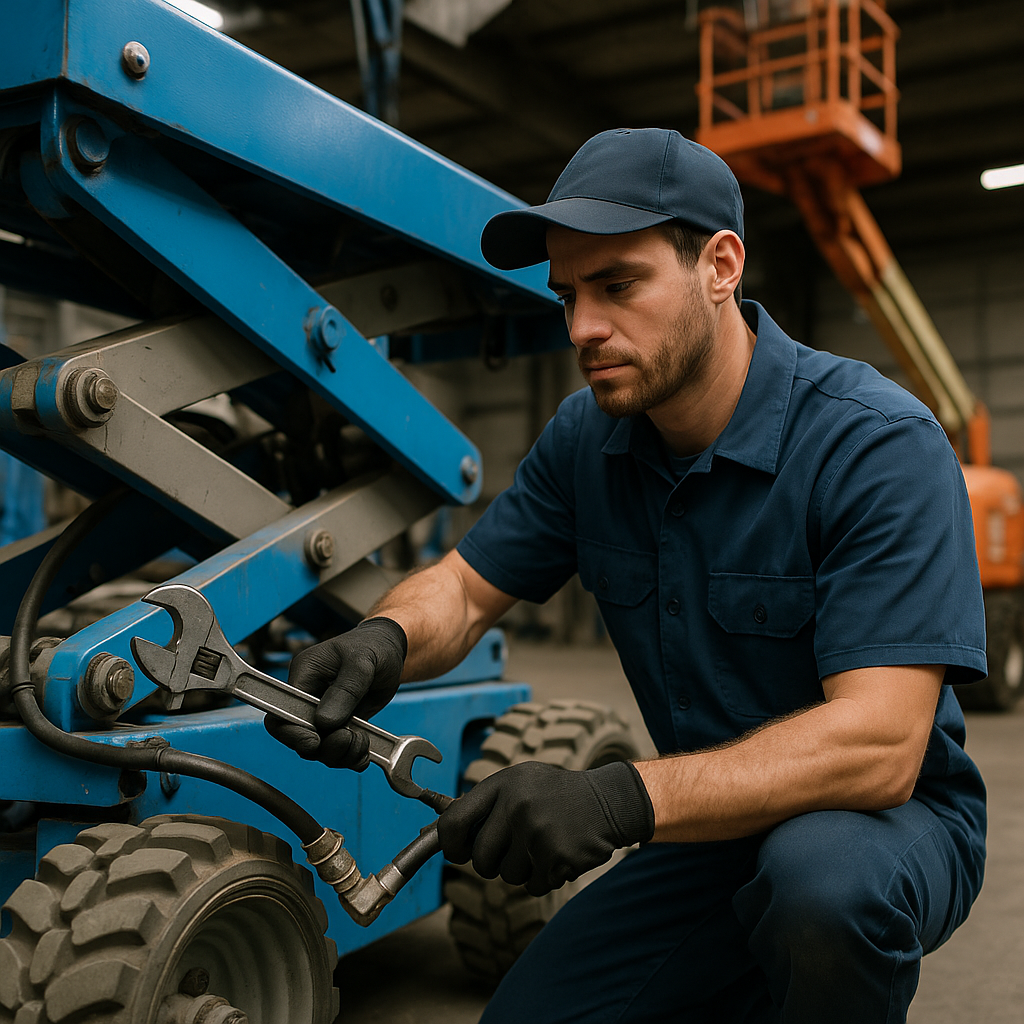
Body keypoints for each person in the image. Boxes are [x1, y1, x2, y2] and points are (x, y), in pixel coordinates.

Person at [268, 128, 987, 1023]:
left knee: (821, 891)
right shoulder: (587, 439)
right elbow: (466, 588)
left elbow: (880, 747)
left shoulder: (874, 444)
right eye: (568, 295)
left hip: (885, 826)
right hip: (709, 828)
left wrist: (616, 798)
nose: (583, 328)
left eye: (618, 286)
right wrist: (383, 641)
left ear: (720, 266)